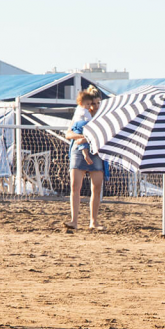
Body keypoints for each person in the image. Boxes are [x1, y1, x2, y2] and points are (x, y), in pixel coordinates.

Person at [64, 86, 105, 230]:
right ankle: (74, 221)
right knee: (75, 187)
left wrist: (86, 139)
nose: (94, 106)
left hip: (96, 152)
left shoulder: (103, 117)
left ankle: (93, 221)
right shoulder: (80, 115)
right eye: (92, 103)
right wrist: (83, 137)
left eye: (97, 103)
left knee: (97, 187)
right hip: (77, 151)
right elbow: (68, 134)